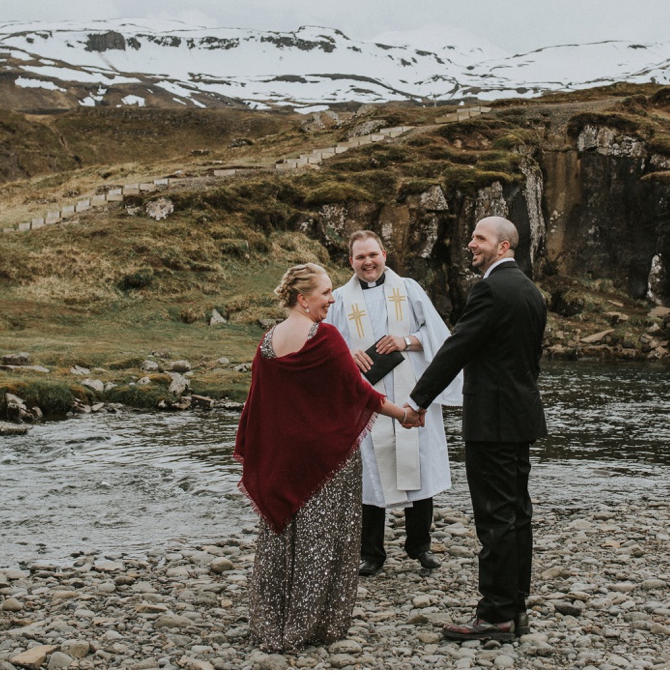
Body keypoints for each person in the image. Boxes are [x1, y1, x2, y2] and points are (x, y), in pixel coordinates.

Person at [234, 263, 415, 653]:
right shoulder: (326, 337)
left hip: (284, 459)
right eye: (327, 293)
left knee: (281, 538)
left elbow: (260, 404)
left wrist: (263, 455)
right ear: (303, 299)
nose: (333, 299)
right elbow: (358, 393)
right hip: (325, 459)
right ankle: (312, 625)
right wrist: (403, 414)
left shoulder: (268, 341)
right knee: (322, 540)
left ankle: (270, 622)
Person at [403, 217, 547, 642]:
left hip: (491, 421)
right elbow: (529, 360)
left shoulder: (490, 289)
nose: (470, 244)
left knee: (495, 517)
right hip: (521, 415)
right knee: (518, 513)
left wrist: (416, 400)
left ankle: (496, 615)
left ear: (503, 246)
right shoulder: (530, 291)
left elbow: (457, 347)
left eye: (479, 238)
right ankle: (516, 606)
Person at [325, 230, 462, 576]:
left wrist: (407, 339)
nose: (368, 262)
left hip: (410, 394)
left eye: (373, 254)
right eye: (360, 257)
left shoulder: (409, 289)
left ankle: (420, 546)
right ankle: (372, 553)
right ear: (350, 262)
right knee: (370, 475)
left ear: (384, 253)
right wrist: (346, 353)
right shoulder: (339, 299)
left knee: (418, 468)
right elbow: (324, 342)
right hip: (366, 400)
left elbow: (438, 334)